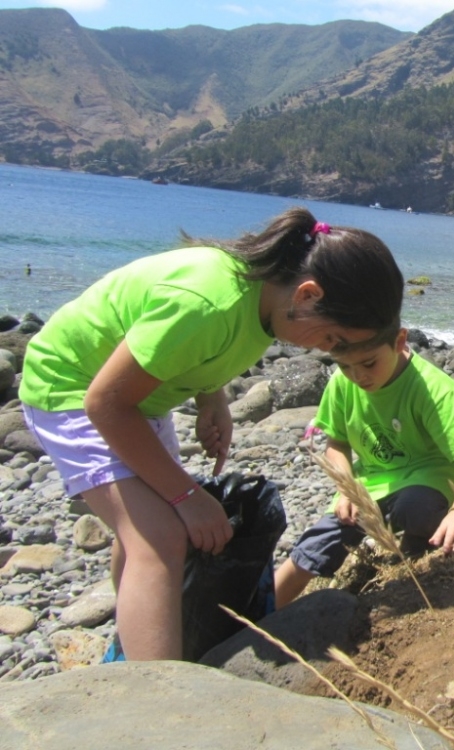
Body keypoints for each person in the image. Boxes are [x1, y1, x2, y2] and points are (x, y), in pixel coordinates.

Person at [18, 208, 404, 661]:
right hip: (73, 387)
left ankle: (128, 650)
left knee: (141, 530)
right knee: (159, 536)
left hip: (137, 400)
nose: (330, 351)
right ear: (308, 293)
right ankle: (154, 696)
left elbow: (196, 350)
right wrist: (187, 497)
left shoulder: (269, 307)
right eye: (334, 338)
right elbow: (104, 403)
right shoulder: (208, 302)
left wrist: (211, 398)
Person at [273, 322, 454, 608]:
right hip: (369, 486)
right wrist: (348, 489)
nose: (358, 376)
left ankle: (443, 533)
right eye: (345, 366)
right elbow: (336, 443)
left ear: (400, 340)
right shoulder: (342, 384)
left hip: (429, 477)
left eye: (368, 363)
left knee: (415, 507)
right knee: (315, 545)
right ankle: (259, 615)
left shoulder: (430, 386)